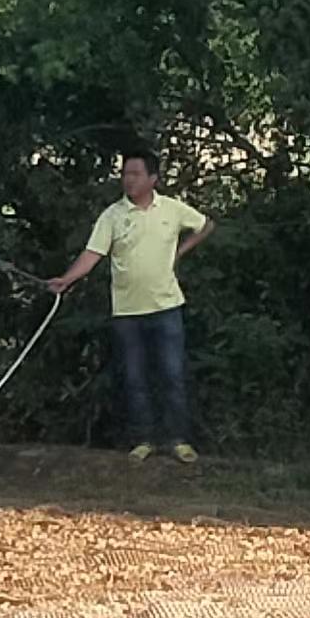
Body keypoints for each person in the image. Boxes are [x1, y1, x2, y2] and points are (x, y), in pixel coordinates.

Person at [48, 145, 214, 463]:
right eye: (125, 174)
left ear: (153, 178)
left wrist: (180, 252)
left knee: (172, 375)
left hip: (167, 307)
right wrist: (66, 279)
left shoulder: (172, 209)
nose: (129, 180)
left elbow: (205, 225)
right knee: (135, 378)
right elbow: (92, 254)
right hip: (127, 312)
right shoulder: (112, 216)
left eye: (136, 174)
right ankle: (144, 440)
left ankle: (178, 440)